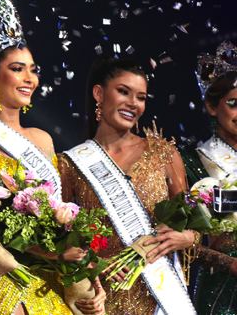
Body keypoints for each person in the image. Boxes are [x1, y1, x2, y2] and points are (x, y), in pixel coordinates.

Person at [0, 0, 105, 315]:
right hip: (7, 277)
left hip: (53, 280)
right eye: (17, 69)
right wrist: (53, 252)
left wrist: (88, 273)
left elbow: (60, 216)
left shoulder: (43, 139)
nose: (29, 79)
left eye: (33, 70)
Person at [58, 57, 198, 314]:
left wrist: (187, 237)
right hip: (101, 298)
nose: (133, 103)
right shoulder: (71, 164)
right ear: (99, 93)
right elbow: (63, 241)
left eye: (141, 97)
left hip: (161, 296)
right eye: (123, 92)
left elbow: (192, 222)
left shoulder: (163, 153)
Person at [183, 42, 237, 314]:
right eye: (234, 103)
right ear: (212, 106)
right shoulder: (191, 160)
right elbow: (189, 227)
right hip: (220, 283)